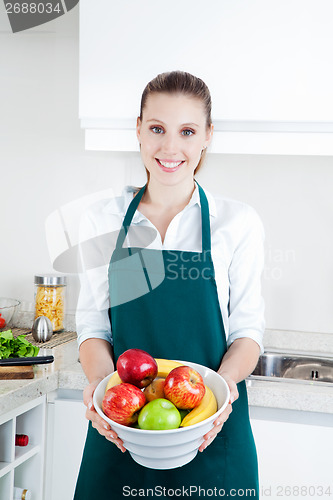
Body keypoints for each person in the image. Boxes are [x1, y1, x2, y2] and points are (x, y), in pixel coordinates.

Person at [74, 71, 265, 499]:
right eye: (157, 129)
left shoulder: (238, 223)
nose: (170, 147)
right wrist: (106, 397)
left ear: (207, 136)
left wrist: (218, 397)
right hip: (120, 438)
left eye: (187, 131)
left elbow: (247, 334)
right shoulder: (102, 220)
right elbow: (92, 328)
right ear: (138, 129)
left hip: (212, 437)